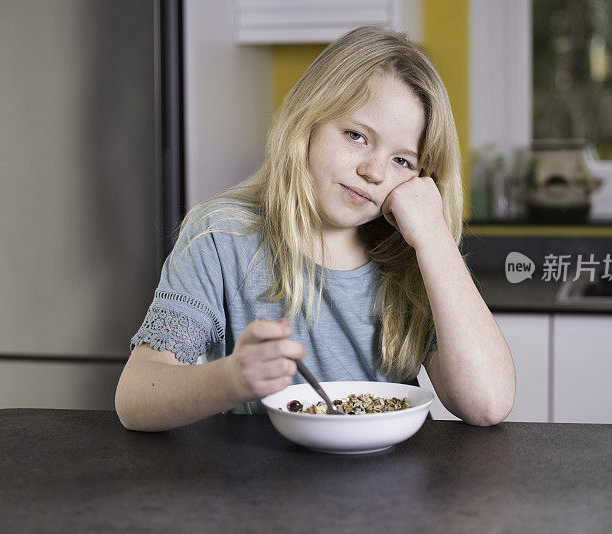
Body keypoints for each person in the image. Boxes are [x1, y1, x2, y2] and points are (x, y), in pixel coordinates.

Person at [115, 25, 515, 431]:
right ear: (307, 122)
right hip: (258, 484)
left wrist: (435, 237)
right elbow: (135, 398)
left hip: (393, 486)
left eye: (403, 161)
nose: (373, 171)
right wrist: (231, 379)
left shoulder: (411, 257)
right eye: (356, 136)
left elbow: (488, 404)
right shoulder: (221, 236)